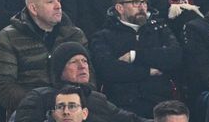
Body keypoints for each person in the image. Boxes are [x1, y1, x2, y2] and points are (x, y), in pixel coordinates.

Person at [0, 0, 87, 116]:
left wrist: (72, 101)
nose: (58, 6)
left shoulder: (74, 34)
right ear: (33, 9)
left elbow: (89, 77)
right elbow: (2, 85)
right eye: (50, 2)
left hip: (72, 107)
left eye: (59, 0)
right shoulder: (9, 36)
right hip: (30, 108)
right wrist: (39, 102)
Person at [90, 0, 182, 118]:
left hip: (162, 103)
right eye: (135, 2)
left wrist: (135, 56)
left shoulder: (160, 29)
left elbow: (174, 56)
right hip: (122, 106)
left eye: (144, 2)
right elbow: (109, 70)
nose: (142, 7)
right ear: (120, 8)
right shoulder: (103, 36)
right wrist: (148, 71)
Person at [15, 41, 151, 122]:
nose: (82, 66)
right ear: (59, 70)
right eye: (74, 62)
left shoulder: (96, 99)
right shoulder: (39, 97)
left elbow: (130, 120)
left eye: (85, 61)